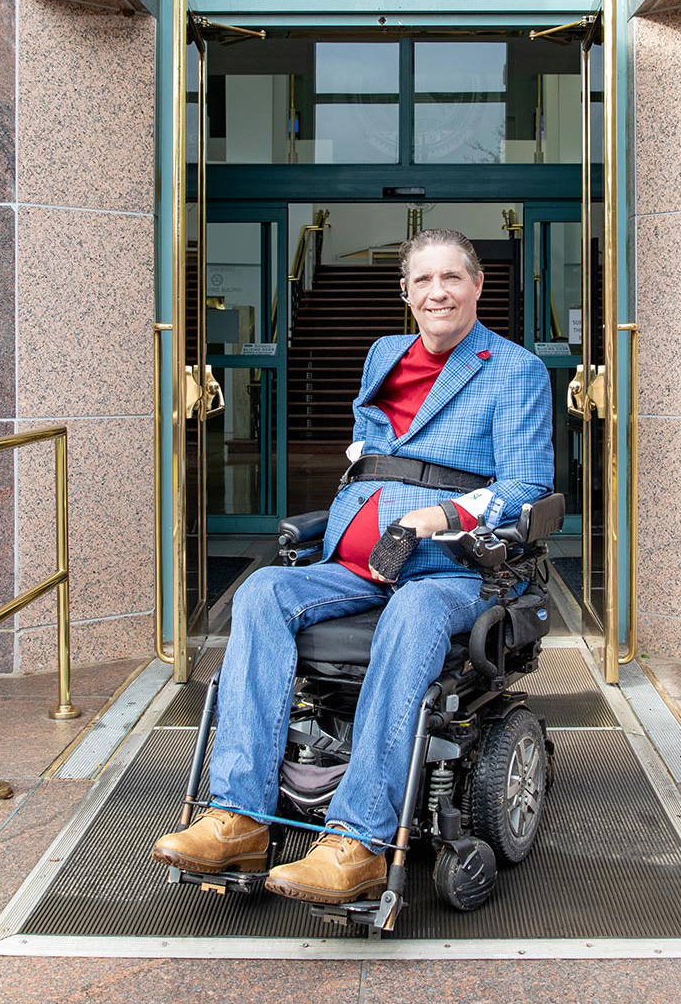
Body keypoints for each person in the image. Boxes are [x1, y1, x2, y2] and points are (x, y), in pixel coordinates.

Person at [150, 227, 554, 904]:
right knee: (263, 593)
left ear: (478, 285)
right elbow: (372, 446)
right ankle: (239, 816)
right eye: (422, 281)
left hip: (449, 572)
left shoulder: (513, 368)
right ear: (405, 293)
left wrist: (444, 516)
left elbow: (527, 486)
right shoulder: (383, 353)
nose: (437, 293)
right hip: (354, 560)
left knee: (414, 611)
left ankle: (359, 840)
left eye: (451, 278)